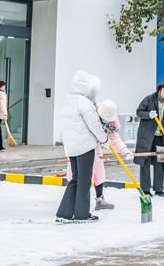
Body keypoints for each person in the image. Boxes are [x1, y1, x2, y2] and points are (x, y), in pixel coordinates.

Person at [56, 71, 108, 223]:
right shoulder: (84, 101)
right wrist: (104, 139)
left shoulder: (67, 100)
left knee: (75, 179)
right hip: (84, 146)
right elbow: (94, 125)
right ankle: (82, 214)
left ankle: (64, 214)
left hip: (71, 147)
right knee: (85, 180)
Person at [66, 100, 133, 210]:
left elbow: (114, 137)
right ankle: (73, 202)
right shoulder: (89, 115)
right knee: (78, 177)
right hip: (81, 149)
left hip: (96, 150)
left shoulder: (111, 118)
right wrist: (89, 152)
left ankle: (100, 201)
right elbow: (81, 134)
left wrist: (124, 150)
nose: (106, 121)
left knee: (99, 175)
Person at [135, 82, 164, 198]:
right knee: (145, 162)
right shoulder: (150, 99)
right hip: (147, 136)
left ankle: (159, 189)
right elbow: (139, 112)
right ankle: (145, 190)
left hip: (161, 137)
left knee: (161, 162)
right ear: (162, 89)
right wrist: (148, 114)